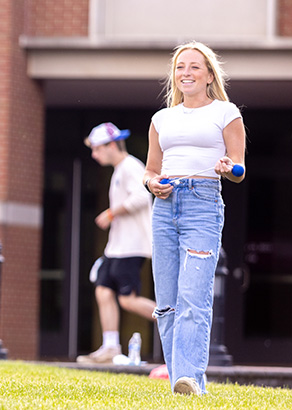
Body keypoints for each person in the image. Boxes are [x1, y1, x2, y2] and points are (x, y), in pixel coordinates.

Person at [143, 41, 245, 395]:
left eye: (194, 67)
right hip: (165, 208)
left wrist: (228, 167)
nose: (186, 72)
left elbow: (238, 167)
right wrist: (153, 184)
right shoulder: (161, 119)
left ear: (208, 75)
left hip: (202, 203)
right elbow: (150, 171)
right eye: (180, 67)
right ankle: (181, 382)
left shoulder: (226, 112)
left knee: (192, 296)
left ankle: (190, 379)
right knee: (167, 303)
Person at [77, 122, 156, 365]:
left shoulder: (130, 166)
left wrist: (112, 213)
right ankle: (110, 346)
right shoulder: (120, 169)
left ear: (112, 145)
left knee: (127, 299)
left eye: (98, 149)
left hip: (131, 247)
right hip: (117, 248)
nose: (94, 154)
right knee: (102, 290)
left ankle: (174, 318)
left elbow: (143, 196)